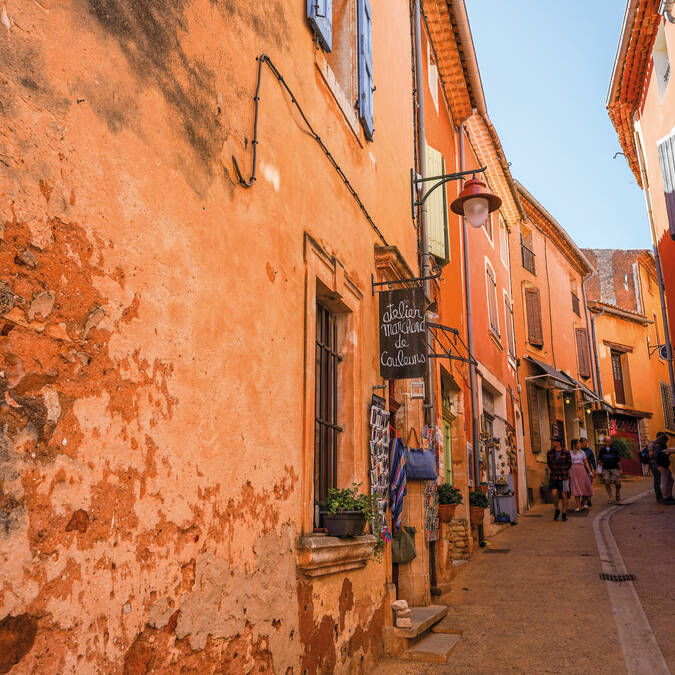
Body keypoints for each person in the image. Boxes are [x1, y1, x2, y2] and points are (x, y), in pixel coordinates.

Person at [547, 436, 572, 521]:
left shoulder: (566, 452)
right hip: (554, 475)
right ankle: (557, 509)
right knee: (554, 493)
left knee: (564, 494)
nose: (552, 442)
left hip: (564, 476)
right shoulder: (550, 453)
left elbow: (569, 464)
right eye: (552, 441)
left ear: (558, 442)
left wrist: (563, 470)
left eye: (554, 441)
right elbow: (549, 464)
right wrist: (555, 470)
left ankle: (564, 513)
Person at [569, 439, 594, 511]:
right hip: (573, 470)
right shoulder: (570, 452)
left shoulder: (582, 452)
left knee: (583, 486)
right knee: (576, 486)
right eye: (578, 443)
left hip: (581, 469)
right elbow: (569, 463)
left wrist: (590, 471)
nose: (580, 444)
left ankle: (584, 503)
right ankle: (578, 506)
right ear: (574, 444)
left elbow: (586, 462)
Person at [598, 439, 622, 503]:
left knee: (617, 483)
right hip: (605, 468)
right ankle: (610, 496)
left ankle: (617, 493)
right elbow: (599, 459)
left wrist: (620, 469)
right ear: (605, 442)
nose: (609, 442)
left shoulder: (614, 449)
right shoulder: (602, 450)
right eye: (607, 441)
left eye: (610, 441)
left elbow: (618, 460)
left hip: (614, 468)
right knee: (607, 482)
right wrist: (600, 463)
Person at [655, 435, 675, 505]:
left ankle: (669, 496)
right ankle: (665, 498)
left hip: (664, 465)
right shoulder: (658, 446)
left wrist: (667, 452)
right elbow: (658, 456)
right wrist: (666, 453)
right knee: (664, 482)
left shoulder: (662, 446)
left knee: (671, 481)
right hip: (661, 465)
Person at [579, 437, 596, 507]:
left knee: (588, 486)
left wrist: (595, 469)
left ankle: (588, 499)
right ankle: (584, 499)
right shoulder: (578, 451)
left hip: (588, 471)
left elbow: (593, 460)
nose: (585, 444)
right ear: (581, 443)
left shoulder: (590, 451)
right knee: (582, 487)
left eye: (586, 442)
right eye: (584, 442)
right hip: (580, 471)